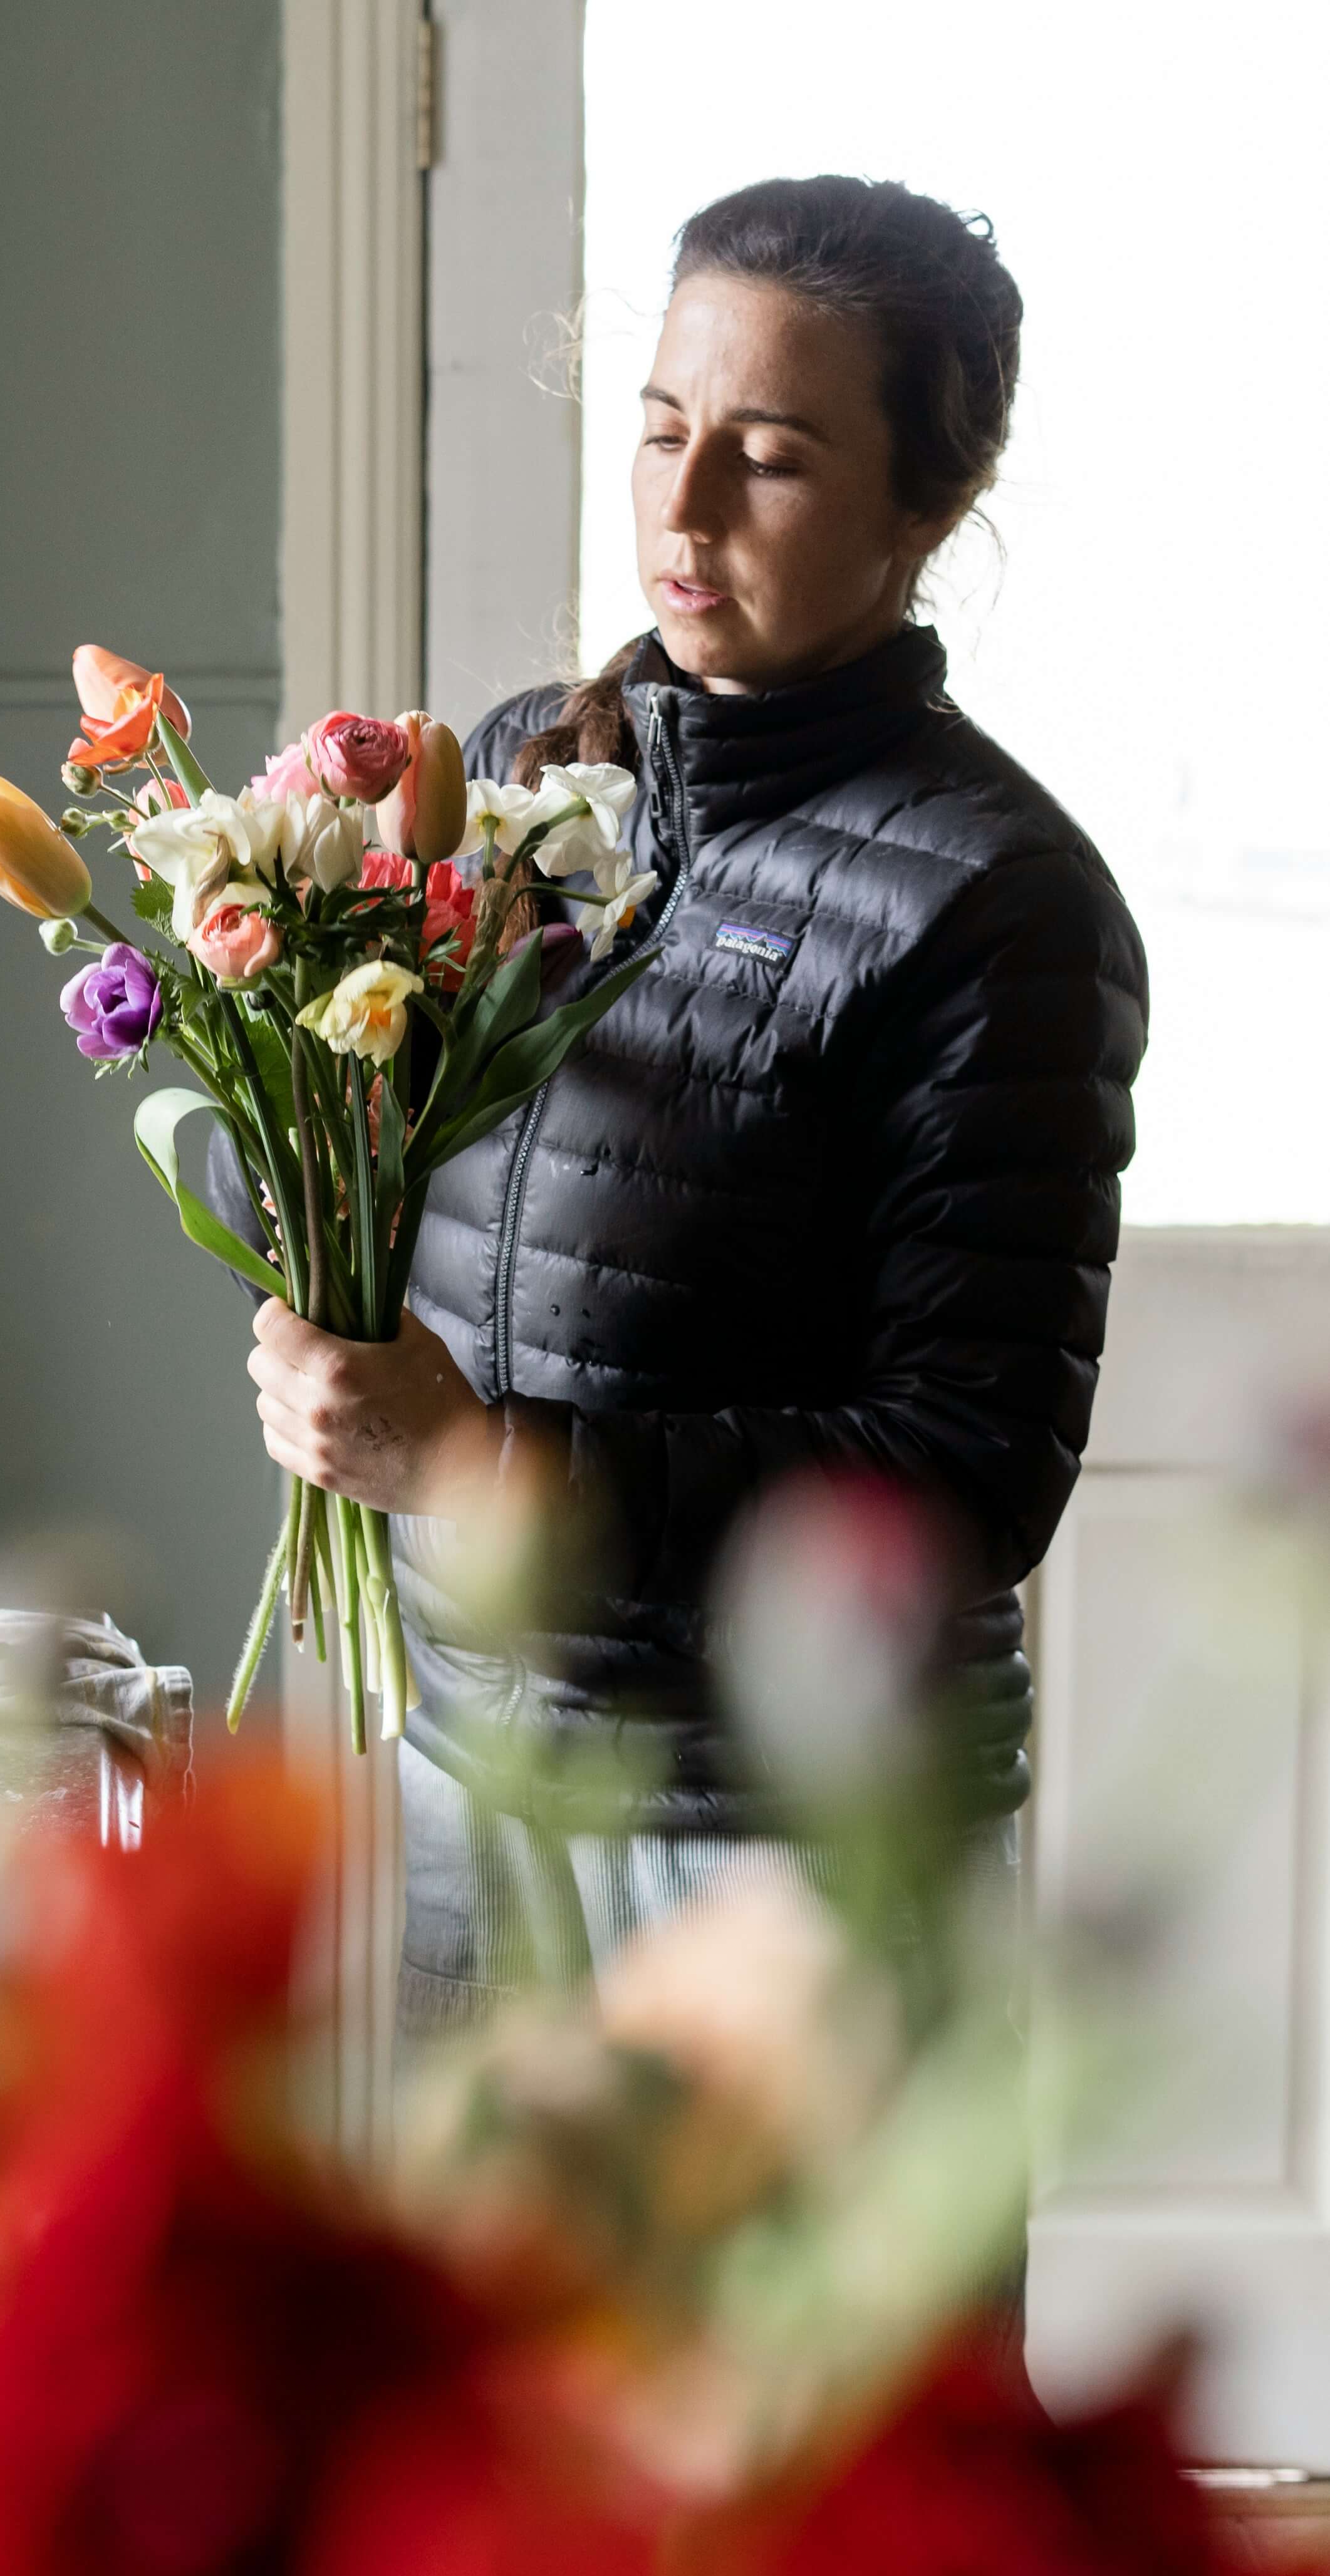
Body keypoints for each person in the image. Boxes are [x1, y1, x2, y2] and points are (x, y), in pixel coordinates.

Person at [226, 175, 1148, 2046]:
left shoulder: (1001, 900)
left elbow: (968, 1472)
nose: (685, 504)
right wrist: (296, 1178)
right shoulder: (509, 774)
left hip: (793, 1846)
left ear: (928, 505)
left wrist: (488, 1471)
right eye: (661, 431)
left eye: (773, 458)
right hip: (477, 1771)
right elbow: (400, 1198)